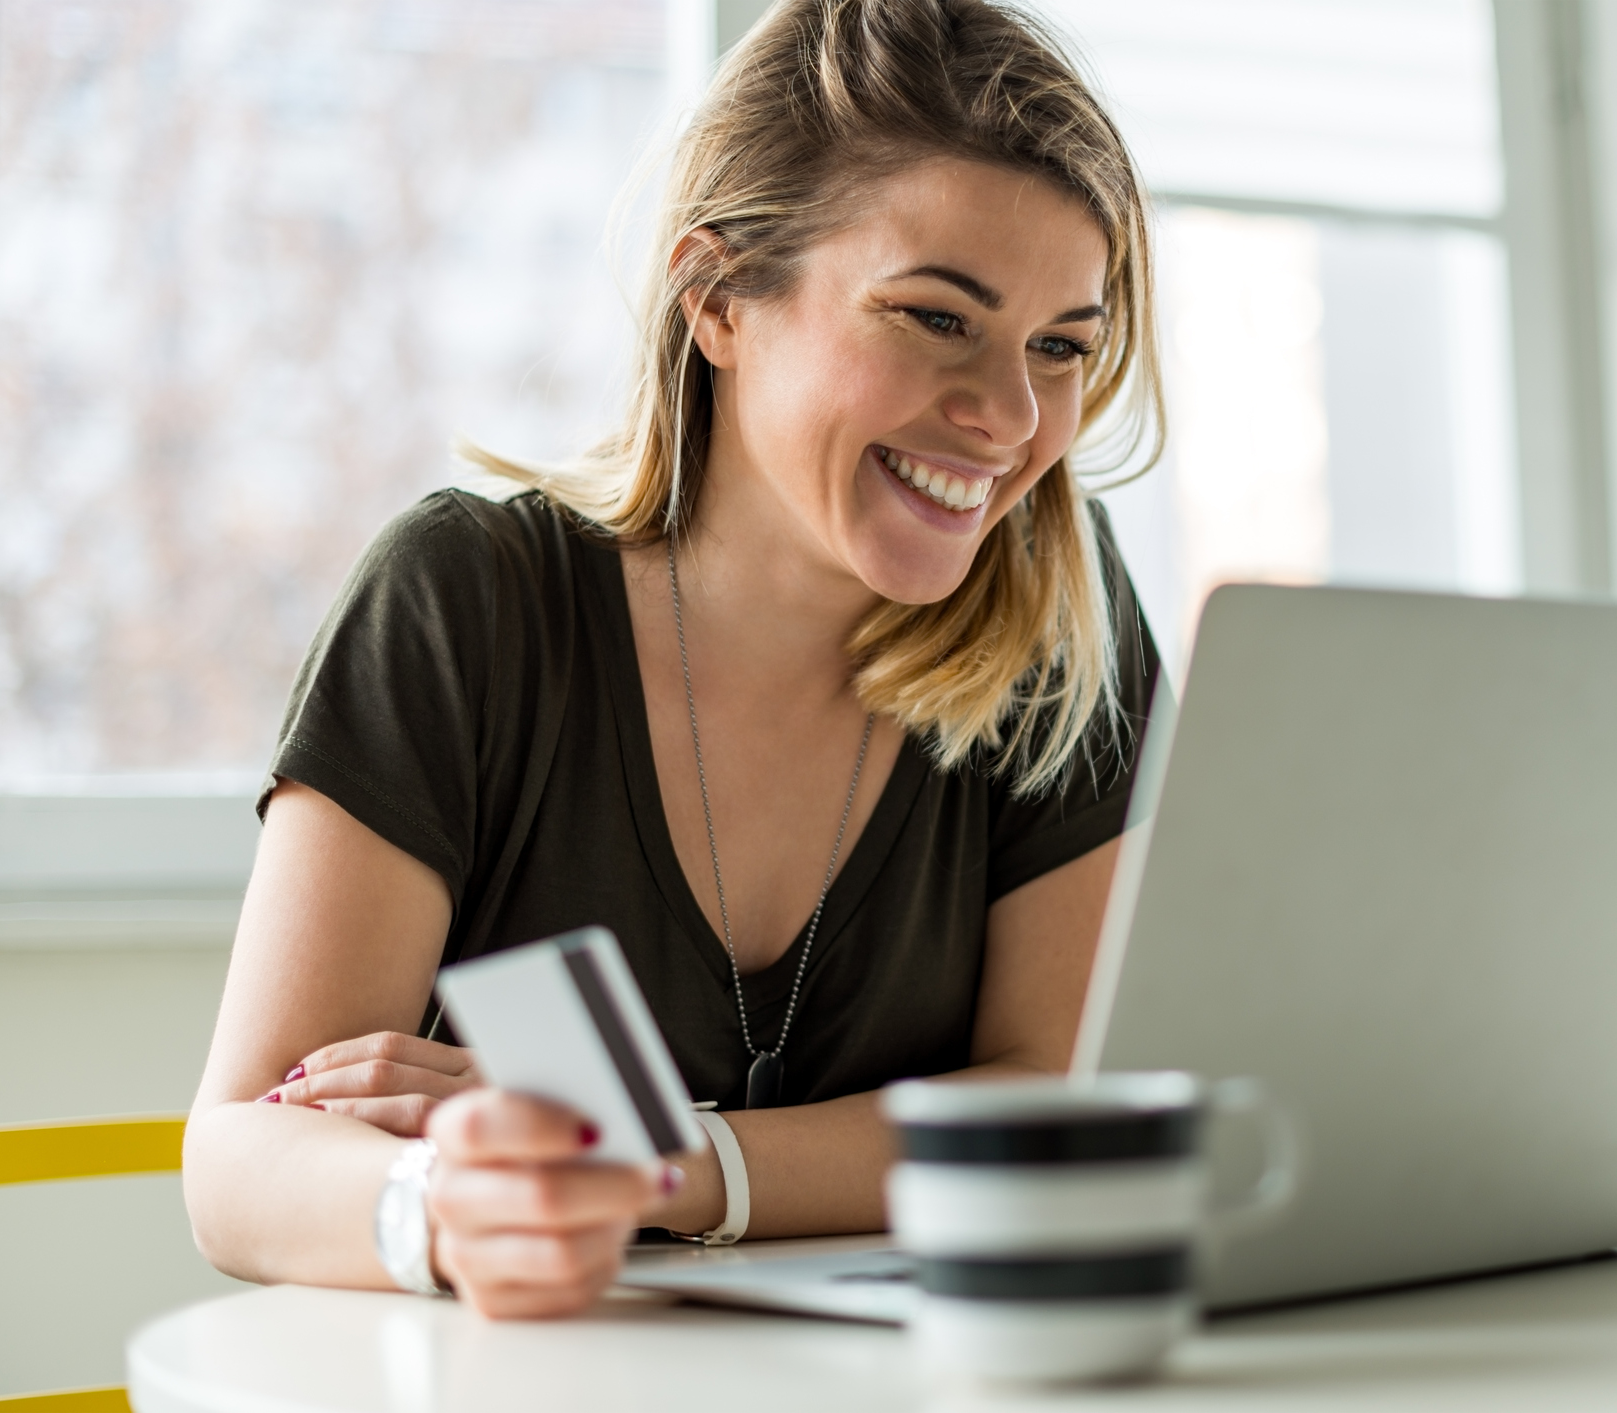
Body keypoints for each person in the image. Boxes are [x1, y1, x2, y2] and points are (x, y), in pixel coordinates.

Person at [182, 0, 1163, 1318]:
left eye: (1061, 346)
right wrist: (446, 1209)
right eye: (938, 319)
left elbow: (1055, 1094)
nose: (1009, 418)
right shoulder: (465, 600)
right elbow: (240, 1156)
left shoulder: (1062, 617)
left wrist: (663, 1157)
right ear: (715, 298)